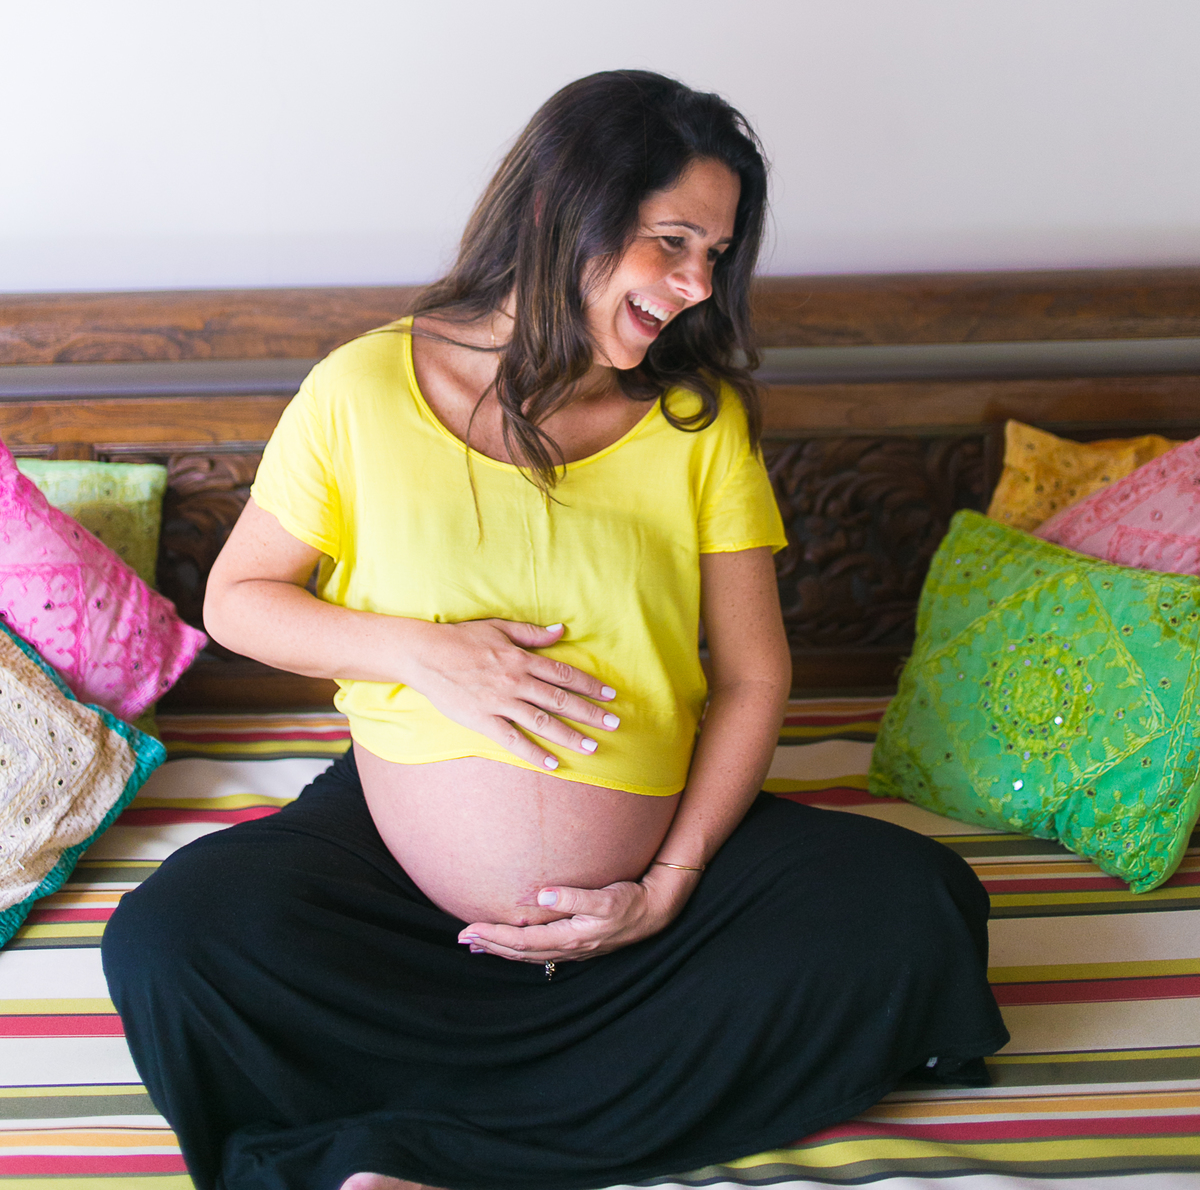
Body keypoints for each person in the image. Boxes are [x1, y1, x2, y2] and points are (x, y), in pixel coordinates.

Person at [102, 71, 1006, 1190]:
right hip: (395, 886)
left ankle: (400, 1149)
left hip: (653, 910)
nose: (693, 286)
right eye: (673, 242)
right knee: (172, 937)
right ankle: (522, 1128)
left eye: (715, 257)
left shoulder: (696, 423)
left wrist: (667, 883)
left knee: (912, 908)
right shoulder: (363, 389)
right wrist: (422, 651)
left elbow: (755, 680)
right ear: (558, 210)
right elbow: (240, 601)